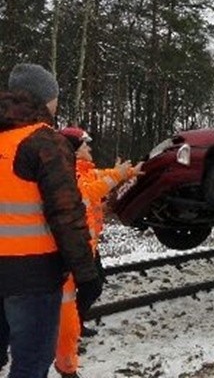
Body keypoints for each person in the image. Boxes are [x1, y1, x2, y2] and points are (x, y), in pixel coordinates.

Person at [0, 63, 101, 378]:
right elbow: (66, 213)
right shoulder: (45, 142)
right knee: (30, 364)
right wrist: (86, 272)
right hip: (32, 276)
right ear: (45, 99)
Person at [54, 127, 142, 378]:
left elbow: (97, 180)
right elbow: (88, 192)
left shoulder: (82, 170)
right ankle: (68, 339)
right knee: (87, 290)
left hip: (86, 247)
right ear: (75, 150)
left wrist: (127, 173)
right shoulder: (69, 173)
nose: (90, 149)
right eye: (85, 145)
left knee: (92, 286)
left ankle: (73, 331)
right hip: (75, 249)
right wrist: (118, 175)